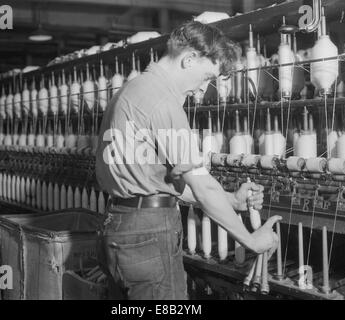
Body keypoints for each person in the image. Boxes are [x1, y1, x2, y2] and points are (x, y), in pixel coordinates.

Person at [96, 20, 281, 300]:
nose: (203, 89)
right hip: (149, 234)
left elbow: (158, 180)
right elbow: (202, 187)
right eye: (206, 77)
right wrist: (252, 240)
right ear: (189, 59)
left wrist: (231, 200)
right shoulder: (162, 102)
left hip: (119, 227)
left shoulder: (130, 92)